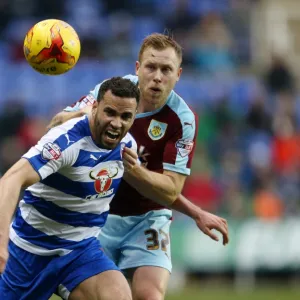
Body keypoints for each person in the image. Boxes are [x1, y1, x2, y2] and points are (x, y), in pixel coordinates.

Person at [49, 33, 229, 300]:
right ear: (137, 68)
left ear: (178, 74)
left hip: (148, 219)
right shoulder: (111, 93)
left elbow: (168, 191)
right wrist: (88, 118)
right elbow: (55, 126)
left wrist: (131, 168)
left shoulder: (183, 120)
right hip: (95, 213)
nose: (157, 76)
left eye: (166, 69)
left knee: (149, 295)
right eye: (151, 67)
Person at [0, 77, 140, 300]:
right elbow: (10, 180)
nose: (117, 123)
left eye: (125, 117)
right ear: (94, 108)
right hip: (30, 250)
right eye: (110, 113)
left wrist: (195, 212)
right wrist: (0, 242)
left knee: (118, 295)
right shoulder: (65, 142)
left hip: (80, 251)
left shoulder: (127, 146)